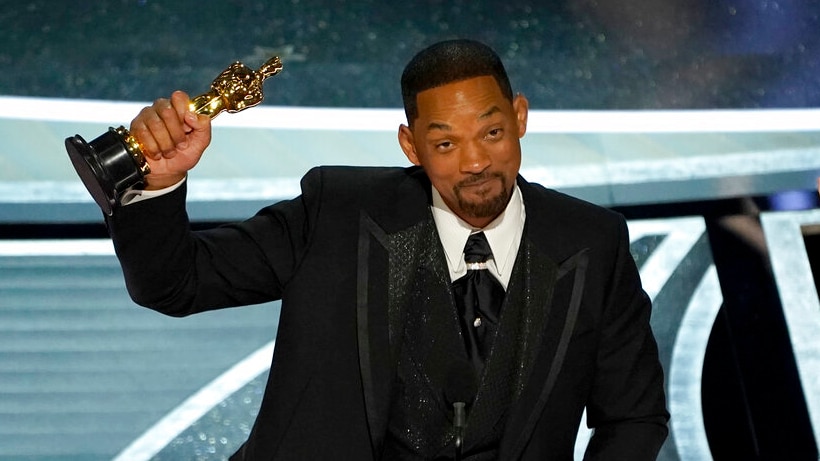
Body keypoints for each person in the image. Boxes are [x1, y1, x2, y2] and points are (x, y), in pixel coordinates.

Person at [107, 39, 669, 460]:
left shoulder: (593, 241)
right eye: (446, 142)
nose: (474, 161)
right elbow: (174, 283)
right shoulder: (336, 212)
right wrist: (159, 185)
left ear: (519, 118)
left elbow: (634, 416)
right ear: (411, 145)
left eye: (491, 133)